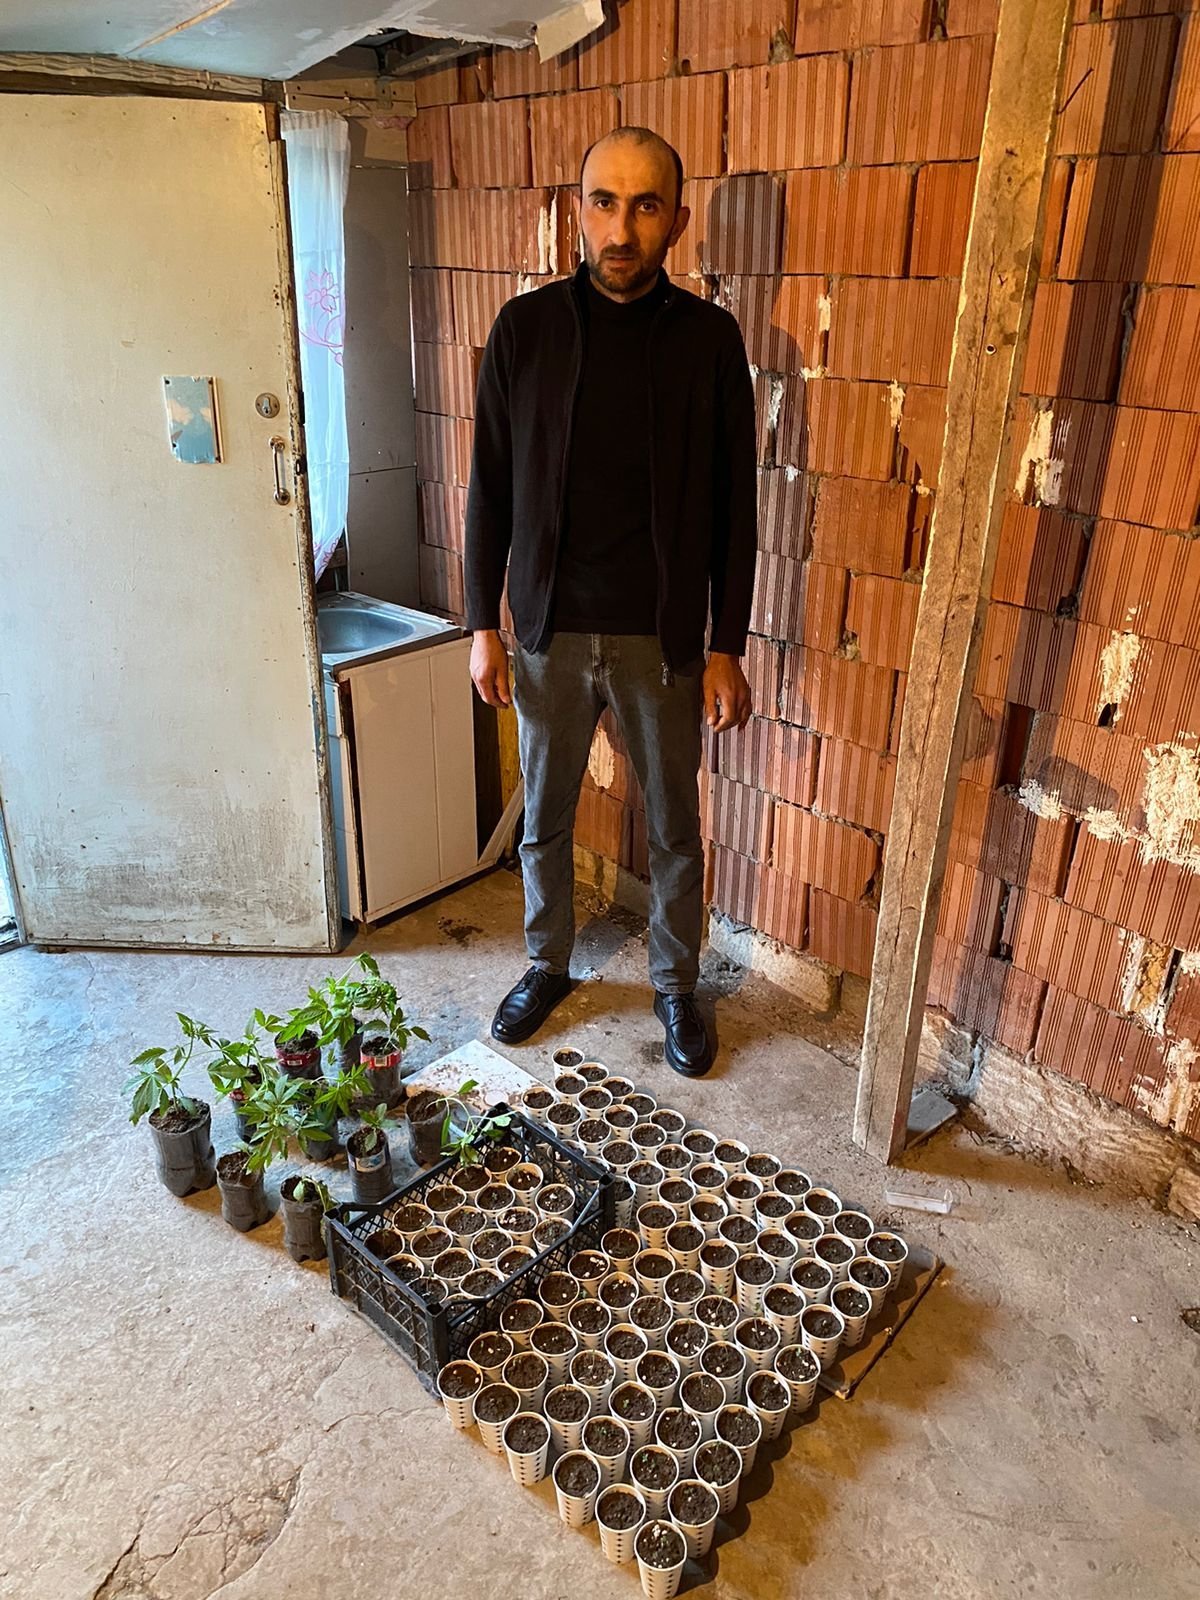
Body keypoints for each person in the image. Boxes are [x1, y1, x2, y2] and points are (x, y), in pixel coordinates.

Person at [464, 126, 757, 1078]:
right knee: (545, 815)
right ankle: (546, 963)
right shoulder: (526, 331)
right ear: (578, 210)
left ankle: (676, 985)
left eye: (644, 206)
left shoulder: (709, 341)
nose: (621, 229)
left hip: (661, 640)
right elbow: (489, 486)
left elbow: (736, 507)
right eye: (603, 202)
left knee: (673, 825)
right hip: (547, 629)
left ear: (677, 218)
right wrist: (482, 626)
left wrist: (726, 643)